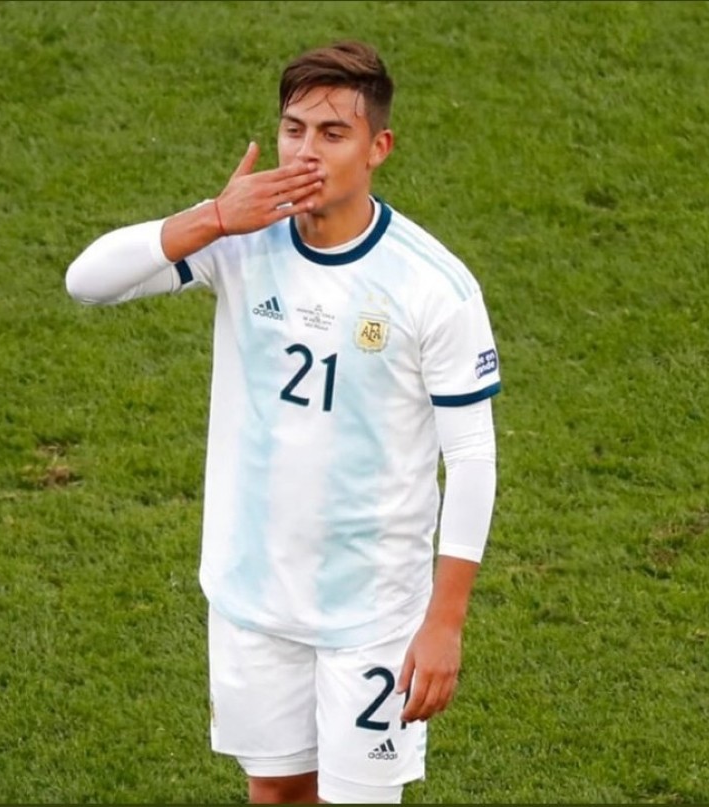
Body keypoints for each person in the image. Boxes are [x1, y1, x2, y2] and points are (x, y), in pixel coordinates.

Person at [65, 40, 500, 805]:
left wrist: (445, 620)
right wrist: (211, 218)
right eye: (294, 129)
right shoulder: (239, 241)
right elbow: (86, 281)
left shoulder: (433, 286)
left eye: (333, 133)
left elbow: (471, 456)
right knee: (274, 792)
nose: (306, 150)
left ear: (378, 148)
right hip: (253, 597)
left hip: (373, 610)